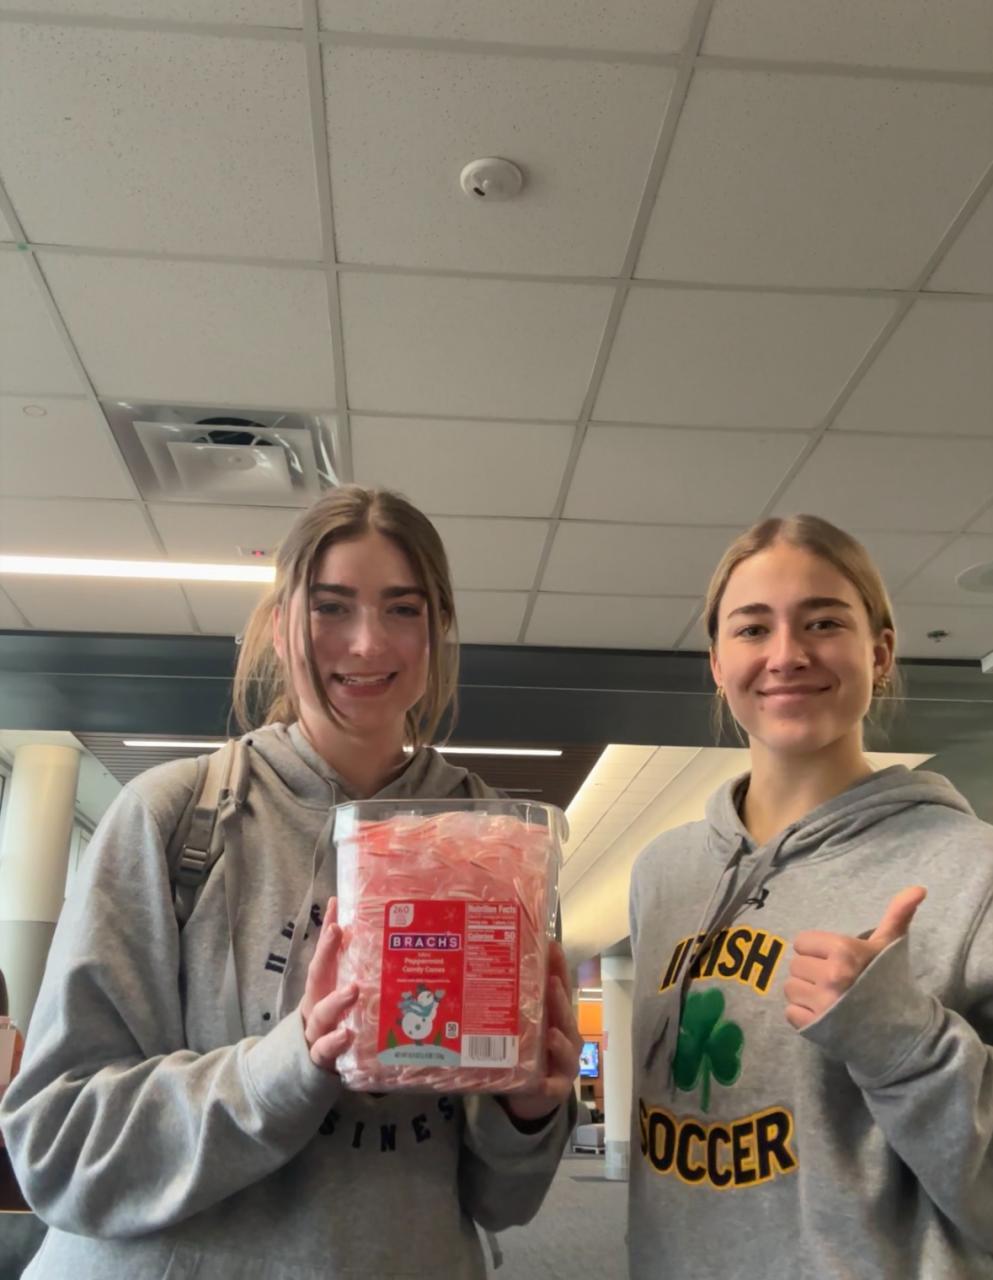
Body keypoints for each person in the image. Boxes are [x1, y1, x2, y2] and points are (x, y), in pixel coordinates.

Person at [0, 486, 580, 1279]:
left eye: (402, 609)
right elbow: (56, 1146)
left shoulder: (494, 845)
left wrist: (527, 1113)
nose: (367, 643)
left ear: (437, 630)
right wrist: (290, 1062)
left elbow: (502, 1202)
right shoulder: (175, 816)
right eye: (330, 607)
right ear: (279, 625)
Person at [628, 514, 993, 1278]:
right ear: (717, 663)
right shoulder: (664, 872)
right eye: (752, 628)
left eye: (822, 622)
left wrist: (901, 1039)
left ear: (879, 653)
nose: (786, 654)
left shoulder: (972, 871)